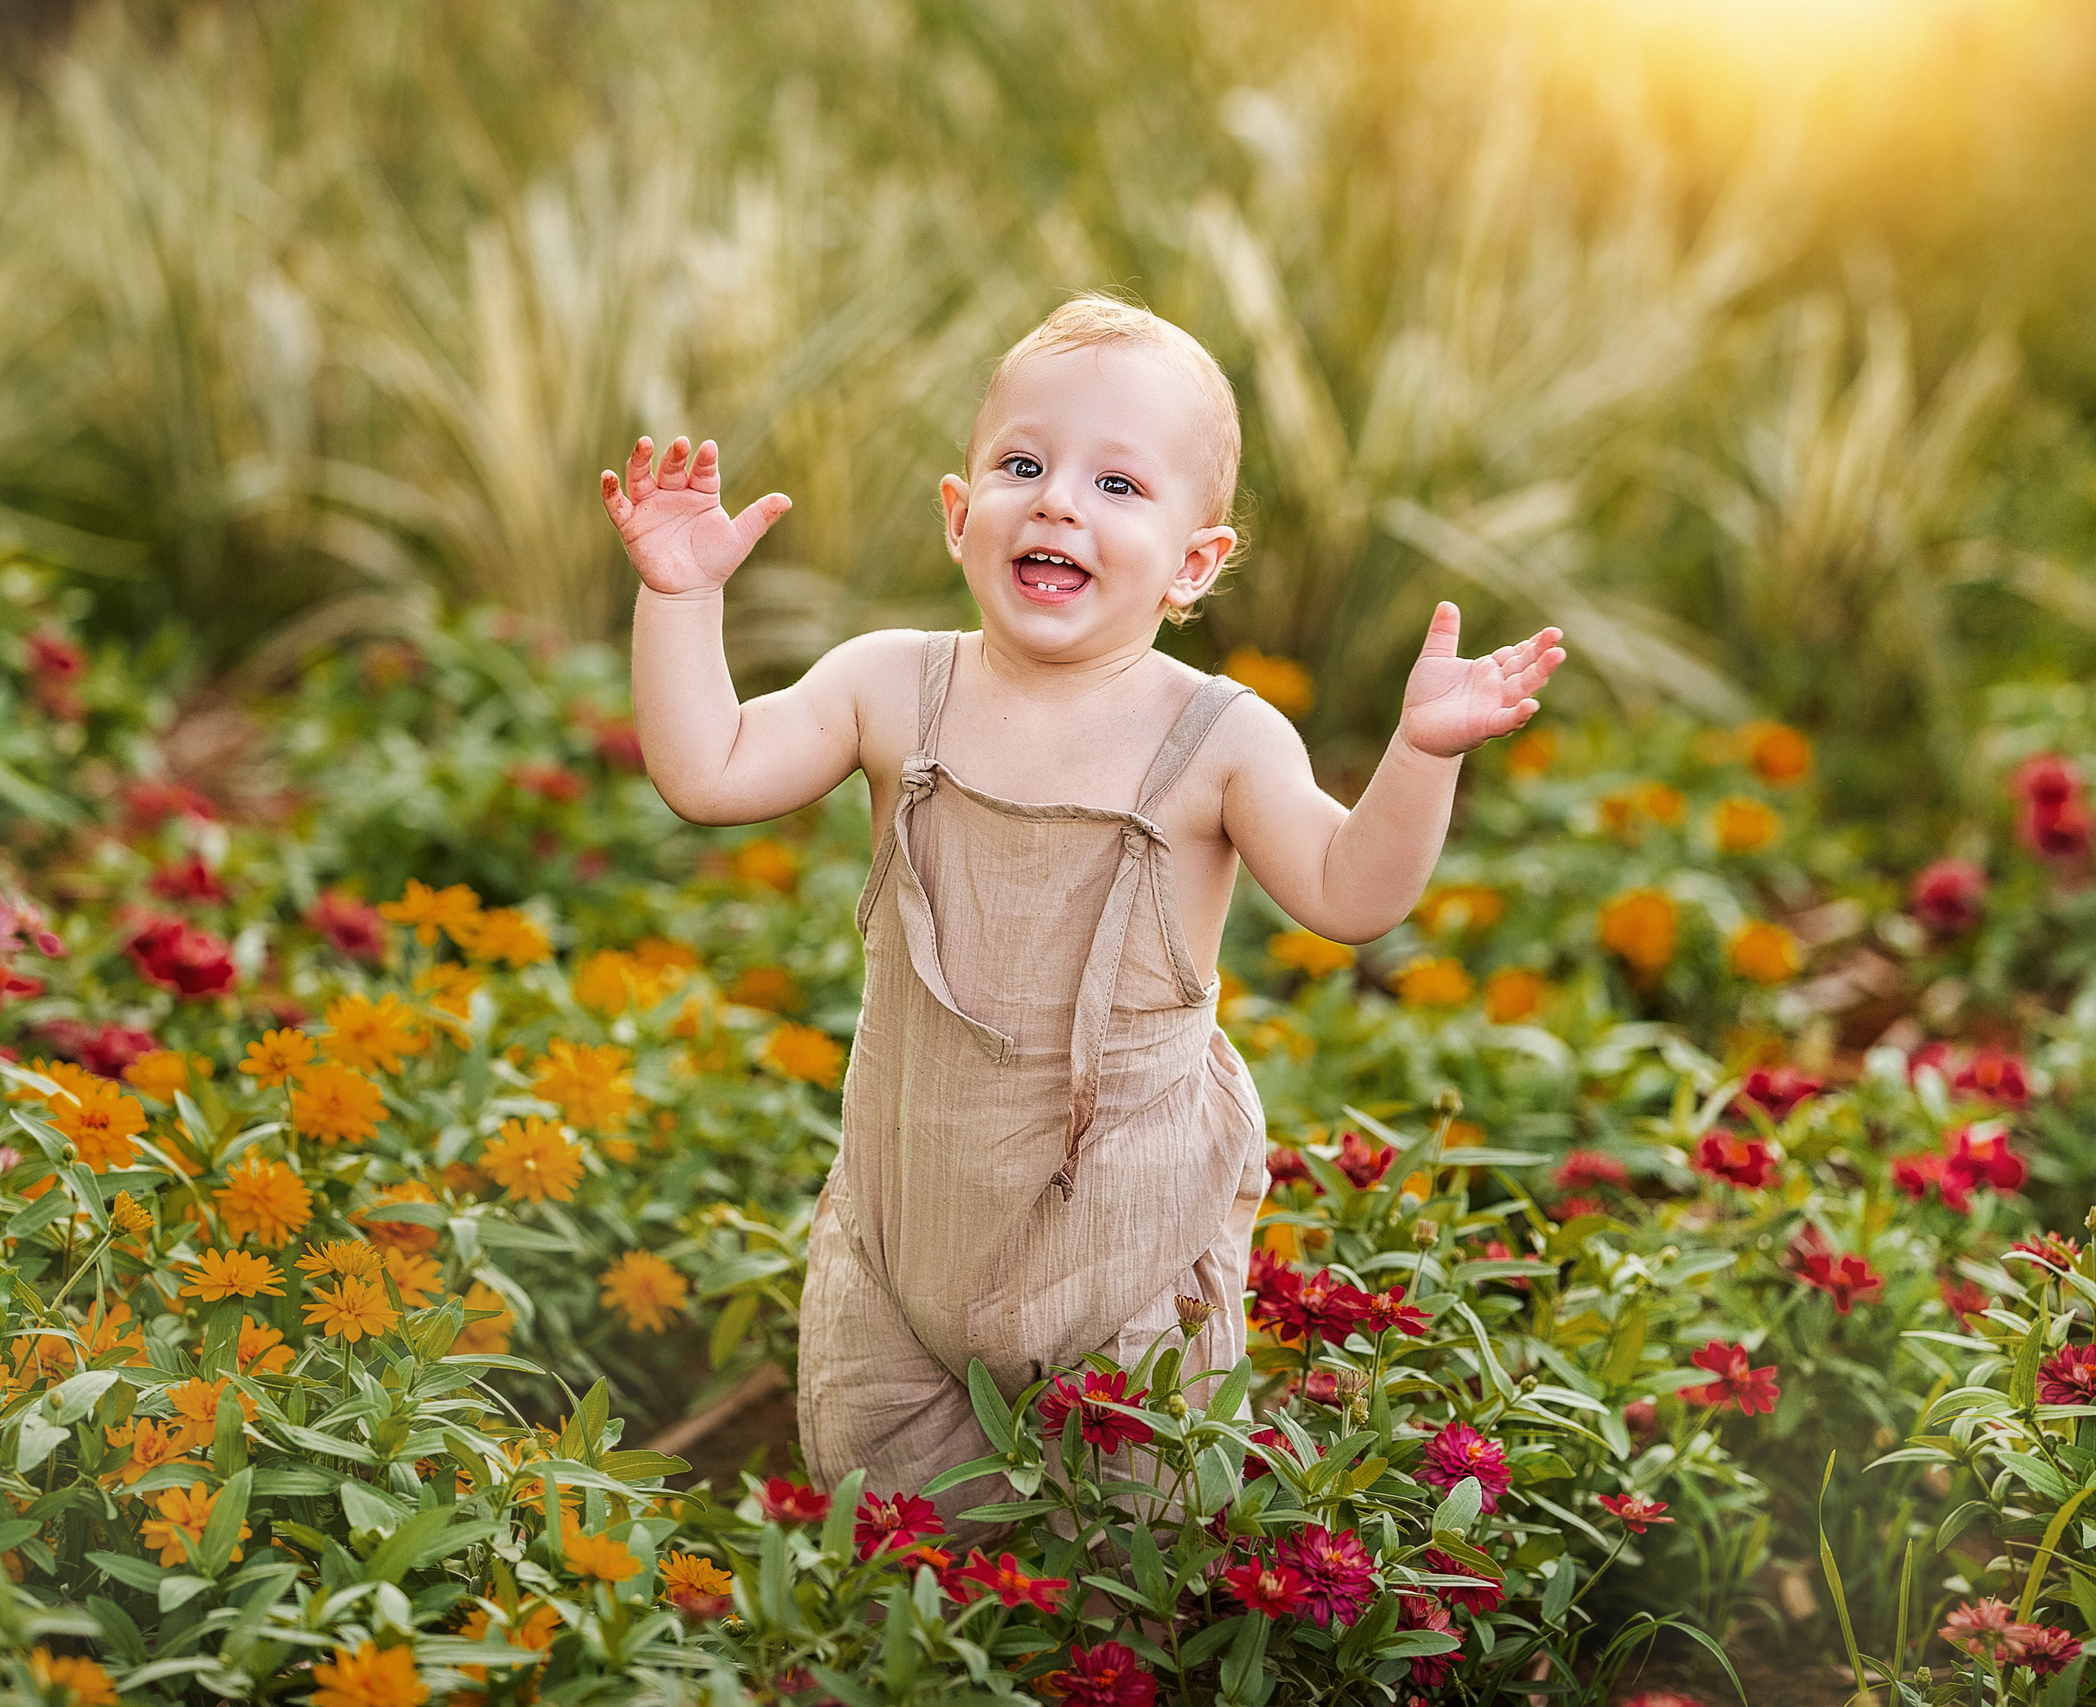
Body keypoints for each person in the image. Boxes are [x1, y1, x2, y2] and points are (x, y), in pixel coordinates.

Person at [603, 294, 1564, 1520]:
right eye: (1022, 465)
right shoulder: (888, 686)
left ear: (1195, 564)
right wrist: (679, 601)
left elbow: (1350, 895)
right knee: (901, 1538)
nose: (1058, 500)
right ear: (961, 516)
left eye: (1119, 485)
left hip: (1124, 1252)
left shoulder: (1217, 740)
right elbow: (709, 772)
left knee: (1123, 1551)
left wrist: (1421, 757)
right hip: (912, 1228)